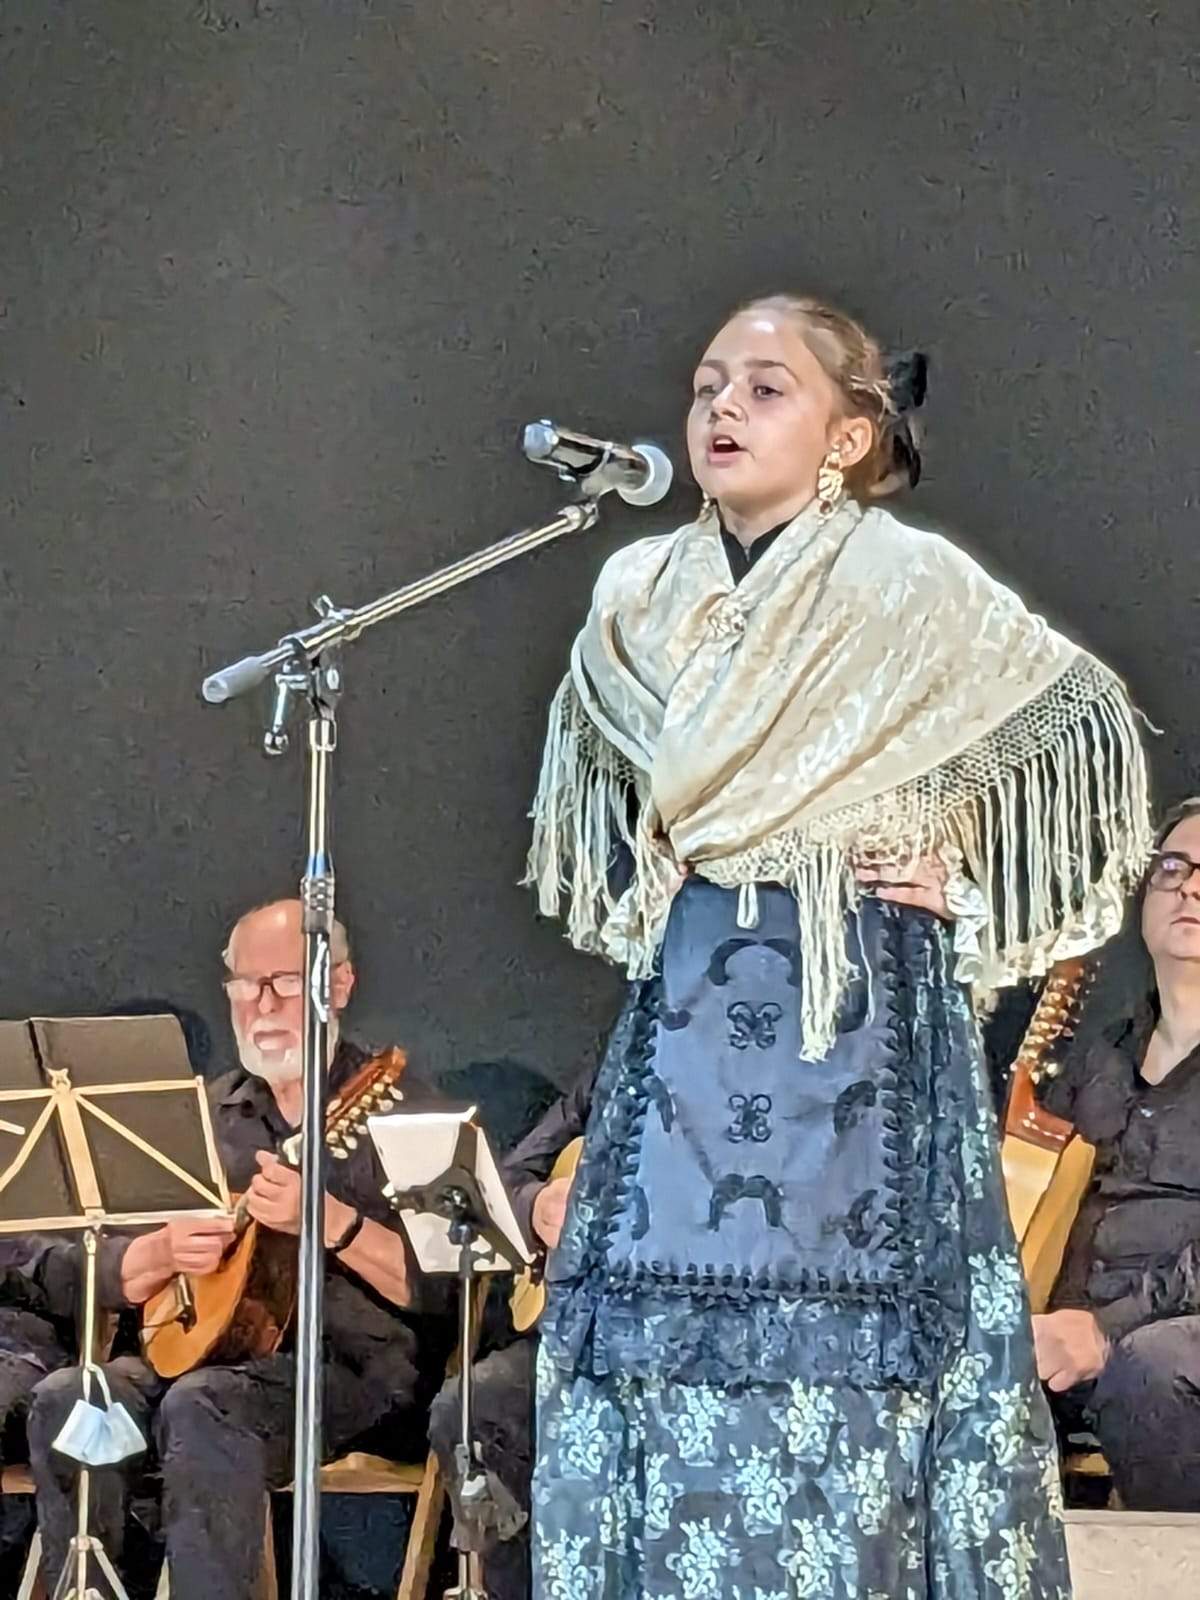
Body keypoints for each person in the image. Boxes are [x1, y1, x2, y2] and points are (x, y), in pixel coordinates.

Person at [522, 294, 1153, 1598]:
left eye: (764, 387)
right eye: (707, 385)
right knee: (656, 1348)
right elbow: (623, 810)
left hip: (854, 1027)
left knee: (856, 1392)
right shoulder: (639, 593)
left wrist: (955, 870)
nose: (721, 410)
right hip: (694, 1027)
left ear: (851, 434)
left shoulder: (907, 588)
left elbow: (1080, 729)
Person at [28, 898, 449, 1600]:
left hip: (350, 1370)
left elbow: (446, 1282)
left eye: (284, 983)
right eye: (243, 986)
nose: (261, 1005)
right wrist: (164, 1253)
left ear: (337, 984)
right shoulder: (205, 1114)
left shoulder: (402, 1108)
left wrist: (327, 1218)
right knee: (69, 1398)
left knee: (202, 1406)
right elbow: (109, 1263)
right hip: (200, 1355)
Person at [1034, 797, 1200, 1511]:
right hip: (1074, 1332)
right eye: (1174, 867)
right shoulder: (1097, 1058)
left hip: (1163, 1338)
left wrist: (1106, 1330)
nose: (1190, 886)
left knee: (1152, 1364)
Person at [428, 1061, 594, 1600]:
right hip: (570, 1334)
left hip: (675, 1343)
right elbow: (506, 1178)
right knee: (471, 1409)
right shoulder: (615, 1068)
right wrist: (539, 1205)